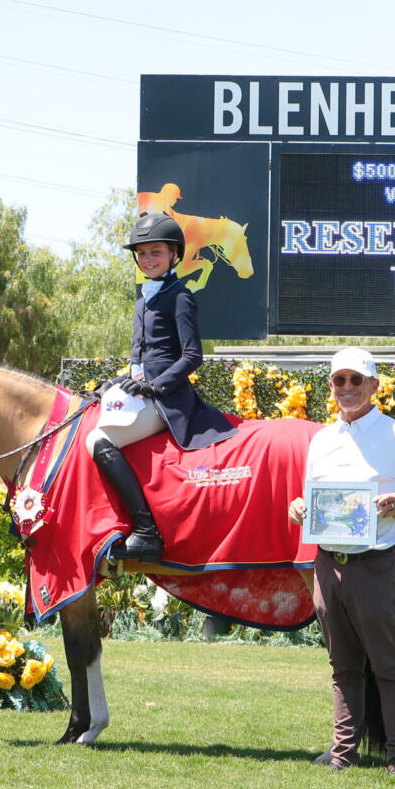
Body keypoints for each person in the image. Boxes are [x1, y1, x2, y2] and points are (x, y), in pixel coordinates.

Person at [288, 346, 395, 777]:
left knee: (387, 665)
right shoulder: (320, 440)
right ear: (331, 387)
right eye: (339, 380)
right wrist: (299, 508)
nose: (347, 388)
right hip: (328, 566)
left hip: (376, 567)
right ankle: (343, 752)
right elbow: (312, 498)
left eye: (356, 380)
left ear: (375, 385)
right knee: (342, 666)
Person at [88, 212, 236, 562]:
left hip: (166, 399)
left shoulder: (180, 296)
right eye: (142, 253)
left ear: (173, 255)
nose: (147, 259)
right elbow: (141, 355)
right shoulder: (143, 298)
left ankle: (146, 531)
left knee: (99, 440)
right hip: (139, 388)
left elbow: (192, 355)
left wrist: (156, 386)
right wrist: (116, 381)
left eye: (155, 252)